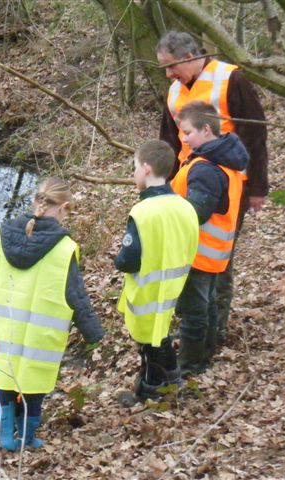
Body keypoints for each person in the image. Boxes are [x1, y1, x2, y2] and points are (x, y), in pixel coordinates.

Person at [157, 31, 269, 346]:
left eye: (171, 66)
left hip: (230, 185)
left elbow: (255, 135)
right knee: (191, 257)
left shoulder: (231, 79)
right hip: (186, 183)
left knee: (219, 260)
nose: (168, 74)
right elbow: (168, 140)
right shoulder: (174, 91)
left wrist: (258, 186)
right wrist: (162, 184)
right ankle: (198, 323)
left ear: (190, 56)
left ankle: (215, 330)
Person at [0, 177, 104, 451]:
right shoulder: (63, 249)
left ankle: (3, 439)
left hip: (5, 332)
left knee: (4, 382)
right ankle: (26, 438)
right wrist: (94, 334)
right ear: (64, 207)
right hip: (40, 339)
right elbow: (77, 296)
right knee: (33, 388)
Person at [169, 100, 249, 377]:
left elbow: (196, 212)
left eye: (188, 132)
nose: (184, 138)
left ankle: (190, 367)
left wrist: (165, 211)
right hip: (217, 252)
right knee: (209, 306)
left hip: (197, 253)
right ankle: (205, 358)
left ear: (205, 130)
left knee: (193, 312)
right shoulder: (228, 160)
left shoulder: (206, 168)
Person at [114, 140, 199, 399]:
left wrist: (118, 261)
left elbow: (129, 260)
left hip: (147, 293)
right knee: (158, 337)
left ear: (147, 169)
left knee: (151, 342)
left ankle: (152, 392)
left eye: (136, 167)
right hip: (173, 288)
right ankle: (169, 383)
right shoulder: (186, 207)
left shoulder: (143, 212)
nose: (134, 173)